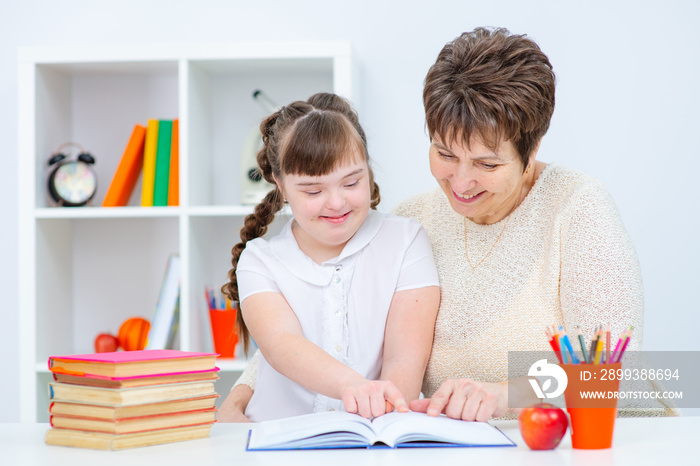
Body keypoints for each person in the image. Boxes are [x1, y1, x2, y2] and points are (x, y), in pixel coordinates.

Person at [220, 27, 674, 422]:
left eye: (487, 163)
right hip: (469, 445)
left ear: (531, 150)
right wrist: (245, 389)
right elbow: (320, 312)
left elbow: (616, 374)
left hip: (599, 441)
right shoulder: (416, 219)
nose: (460, 182)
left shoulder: (576, 208)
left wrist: (503, 395)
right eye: (445, 154)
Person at [218, 92, 440, 422]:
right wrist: (356, 388)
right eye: (313, 191)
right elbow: (281, 343)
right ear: (280, 185)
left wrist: (384, 412)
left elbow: (404, 360)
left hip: (371, 436)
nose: (336, 202)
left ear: (368, 169)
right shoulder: (261, 260)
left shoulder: (406, 240)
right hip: (276, 441)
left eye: (351, 182)